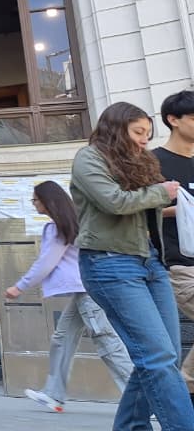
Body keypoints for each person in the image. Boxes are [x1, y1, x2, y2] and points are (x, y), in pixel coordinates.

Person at [71, 102, 189, 430]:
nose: (143, 140)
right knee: (158, 359)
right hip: (110, 264)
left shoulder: (140, 161)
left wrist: (174, 206)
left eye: (148, 135)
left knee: (163, 357)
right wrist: (160, 192)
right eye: (138, 132)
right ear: (116, 128)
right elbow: (114, 202)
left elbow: (141, 210)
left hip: (151, 263)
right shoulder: (89, 157)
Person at [3, 180, 132, 412]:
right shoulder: (73, 223)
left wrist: (20, 287)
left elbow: (46, 263)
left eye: (35, 200)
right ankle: (54, 394)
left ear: (47, 201)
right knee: (62, 339)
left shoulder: (59, 228)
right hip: (86, 290)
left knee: (108, 343)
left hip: (89, 291)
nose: (33, 204)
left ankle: (145, 399)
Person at [155, 90, 194, 398]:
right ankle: (183, 389)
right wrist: (185, 207)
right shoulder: (154, 161)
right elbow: (140, 209)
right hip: (180, 263)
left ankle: (184, 389)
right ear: (173, 120)